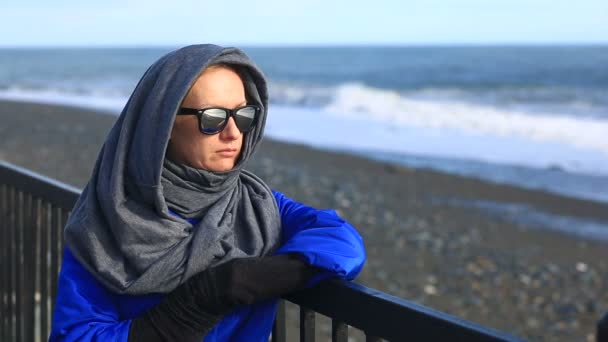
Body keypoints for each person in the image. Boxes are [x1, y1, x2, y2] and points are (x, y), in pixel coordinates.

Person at [49, 44, 366, 341]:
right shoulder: (108, 218)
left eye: (243, 116)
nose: (233, 133)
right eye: (212, 118)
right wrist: (195, 304)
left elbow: (343, 242)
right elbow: (76, 334)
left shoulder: (256, 205)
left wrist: (249, 278)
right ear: (164, 123)